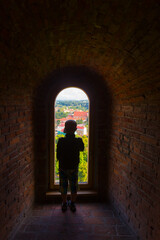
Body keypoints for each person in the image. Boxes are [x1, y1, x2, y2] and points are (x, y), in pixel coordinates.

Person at [57, 120, 84, 212]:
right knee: (73, 186)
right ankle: (72, 203)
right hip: (73, 166)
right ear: (75, 129)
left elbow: (58, 154)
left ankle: (64, 203)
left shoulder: (61, 141)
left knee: (63, 185)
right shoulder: (78, 141)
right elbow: (82, 148)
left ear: (65, 129)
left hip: (63, 166)